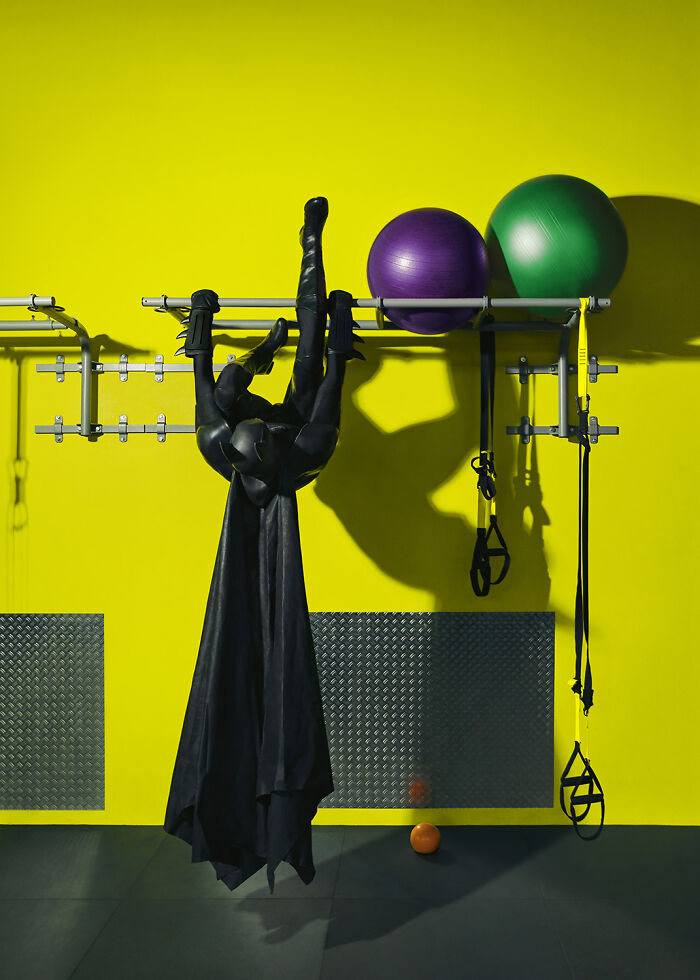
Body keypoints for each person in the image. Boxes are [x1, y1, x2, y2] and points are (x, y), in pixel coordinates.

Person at [164, 198, 362, 892]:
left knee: (269, 372)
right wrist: (327, 337)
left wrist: (209, 322)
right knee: (307, 370)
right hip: (290, 432)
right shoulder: (283, 446)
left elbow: (206, 366)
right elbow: (320, 370)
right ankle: (310, 247)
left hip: (266, 432)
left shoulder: (258, 440)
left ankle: (309, 244)